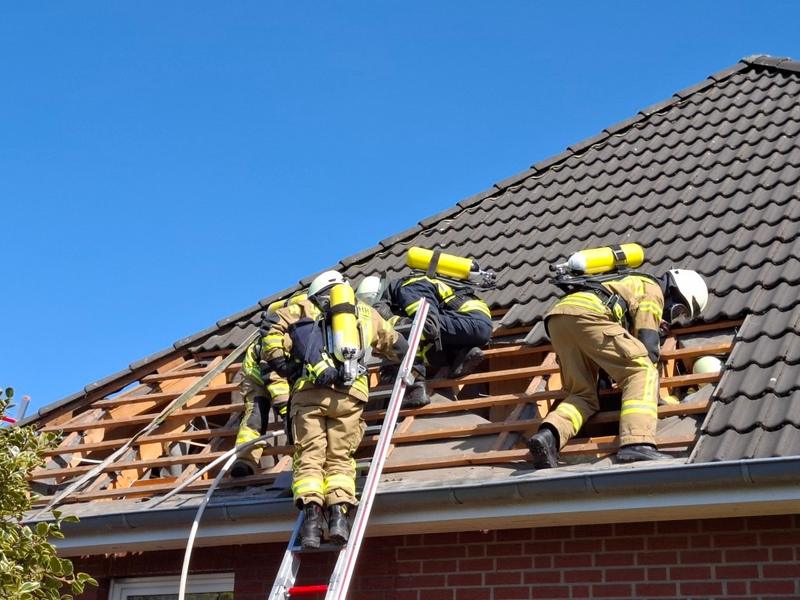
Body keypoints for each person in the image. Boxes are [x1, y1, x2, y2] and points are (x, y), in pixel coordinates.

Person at [263, 270, 410, 548]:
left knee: (310, 456)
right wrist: (415, 368)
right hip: (350, 395)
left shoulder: (298, 308)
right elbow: (396, 344)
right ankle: (339, 517)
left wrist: (287, 367)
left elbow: (269, 339)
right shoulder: (365, 312)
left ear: (316, 292)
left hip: (309, 394)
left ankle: (311, 523)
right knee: (341, 458)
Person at [526, 268, 708, 467]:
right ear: (678, 291)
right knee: (642, 371)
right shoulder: (653, 290)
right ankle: (638, 443)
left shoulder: (628, 282)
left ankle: (548, 438)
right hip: (590, 315)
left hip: (558, 319)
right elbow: (647, 343)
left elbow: (610, 350)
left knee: (583, 395)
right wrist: (650, 396)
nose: (675, 316)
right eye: (680, 310)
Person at [361, 272, 492, 391]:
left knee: (408, 330)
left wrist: (390, 322)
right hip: (472, 326)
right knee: (426, 351)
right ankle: (459, 356)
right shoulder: (404, 295)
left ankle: (416, 386)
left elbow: (428, 326)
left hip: (471, 320)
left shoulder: (409, 286)